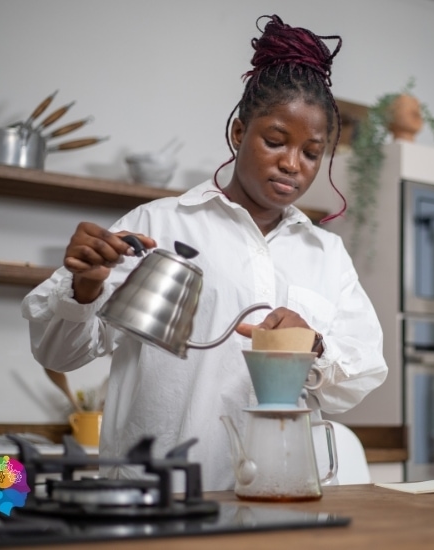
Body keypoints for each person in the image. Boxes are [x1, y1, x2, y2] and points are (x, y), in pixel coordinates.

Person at [21, 14, 388, 491]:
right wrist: (86, 286)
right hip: (160, 499)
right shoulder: (155, 225)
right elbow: (58, 352)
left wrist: (312, 343)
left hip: (280, 498)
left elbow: (357, 380)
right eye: (275, 141)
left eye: (312, 153)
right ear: (238, 133)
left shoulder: (326, 254)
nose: (292, 164)